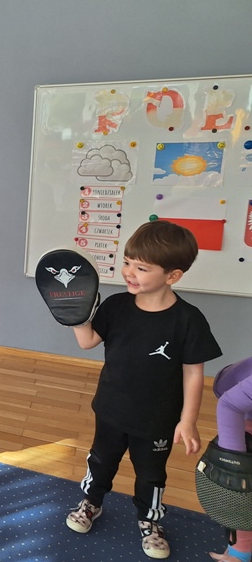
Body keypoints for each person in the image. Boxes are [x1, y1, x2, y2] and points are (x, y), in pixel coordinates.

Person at [65, 220, 222, 559]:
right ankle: (91, 502)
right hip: (111, 409)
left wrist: (188, 421)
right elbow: (88, 341)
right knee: (101, 461)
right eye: (127, 262)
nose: (129, 272)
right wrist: (74, 314)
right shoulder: (116, 305)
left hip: (157, 419)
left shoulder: (188, 319)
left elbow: (194, 374)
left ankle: (150, 521)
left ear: (172, 275)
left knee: (151, 474)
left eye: (141, 268)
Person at [207, 357, 252, 562]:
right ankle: (239, 552)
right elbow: (229, 405)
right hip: (233, 391)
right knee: (242, 486)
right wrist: (234, 466)